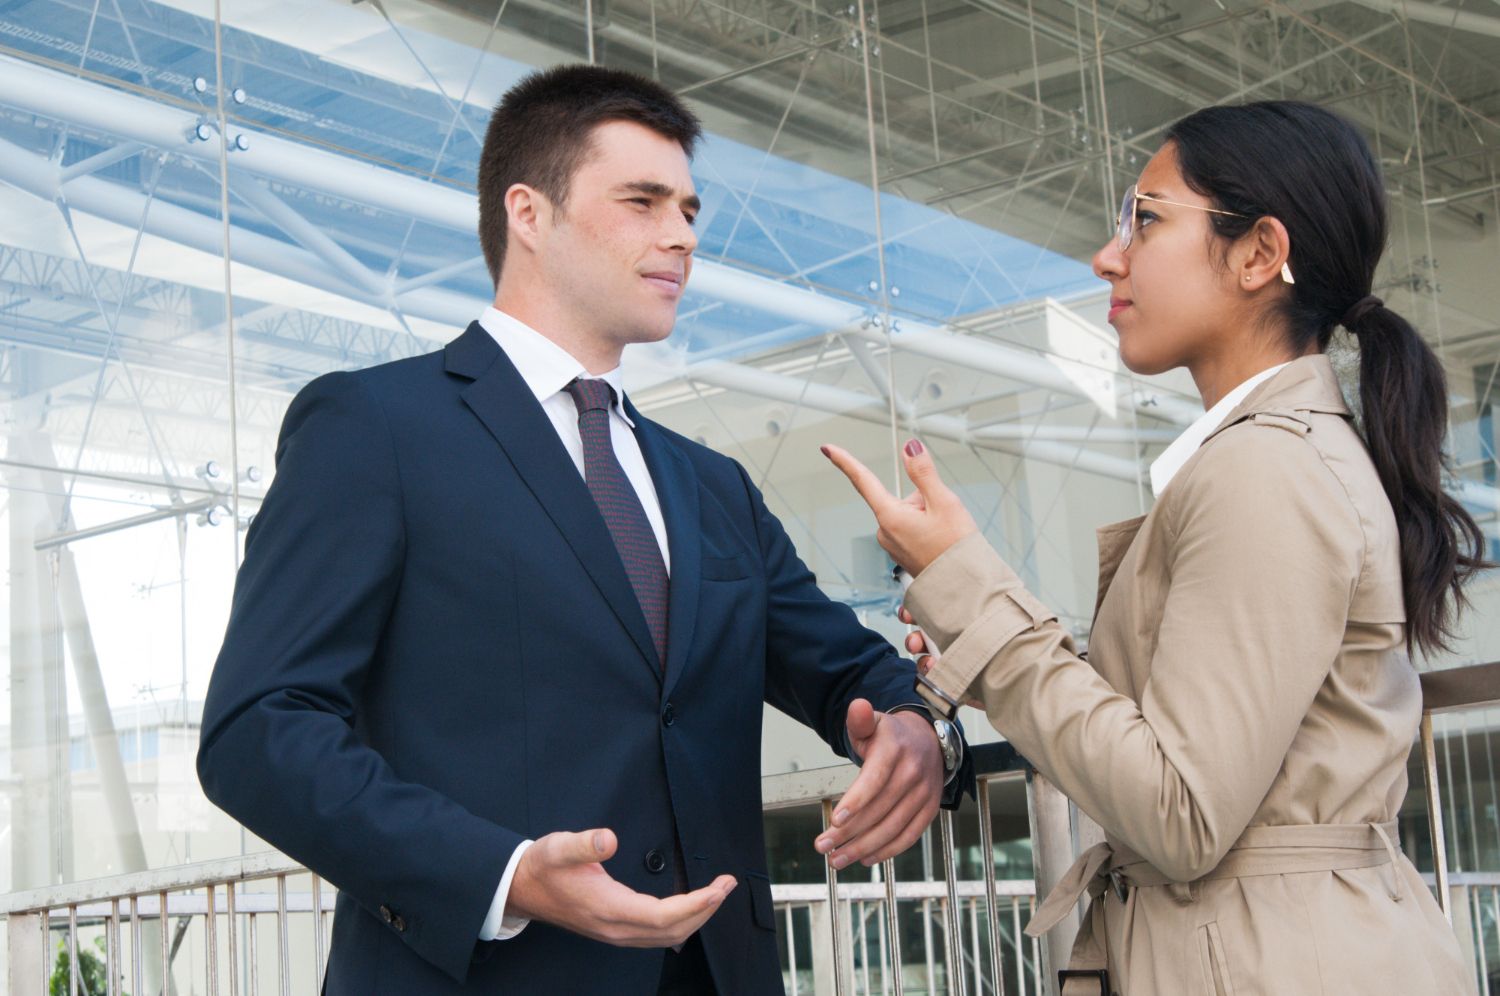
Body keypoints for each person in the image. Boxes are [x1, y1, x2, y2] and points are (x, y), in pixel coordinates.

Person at [197, 64, 969, 996]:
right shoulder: (376, 428)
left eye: (688, 209)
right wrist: (503, 873)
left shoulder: (710, 484)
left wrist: (916, 732)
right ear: (529, 213)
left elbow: (849, 667)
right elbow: (259, 729)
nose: (680, 235)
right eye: (642, 200)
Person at [821, 100, 1486, 994]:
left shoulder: (1266, 467)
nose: (1109, 255)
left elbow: (1179, 812)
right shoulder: (1279, 454)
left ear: (1259, 254)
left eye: (1148, 218)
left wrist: (968, 588)